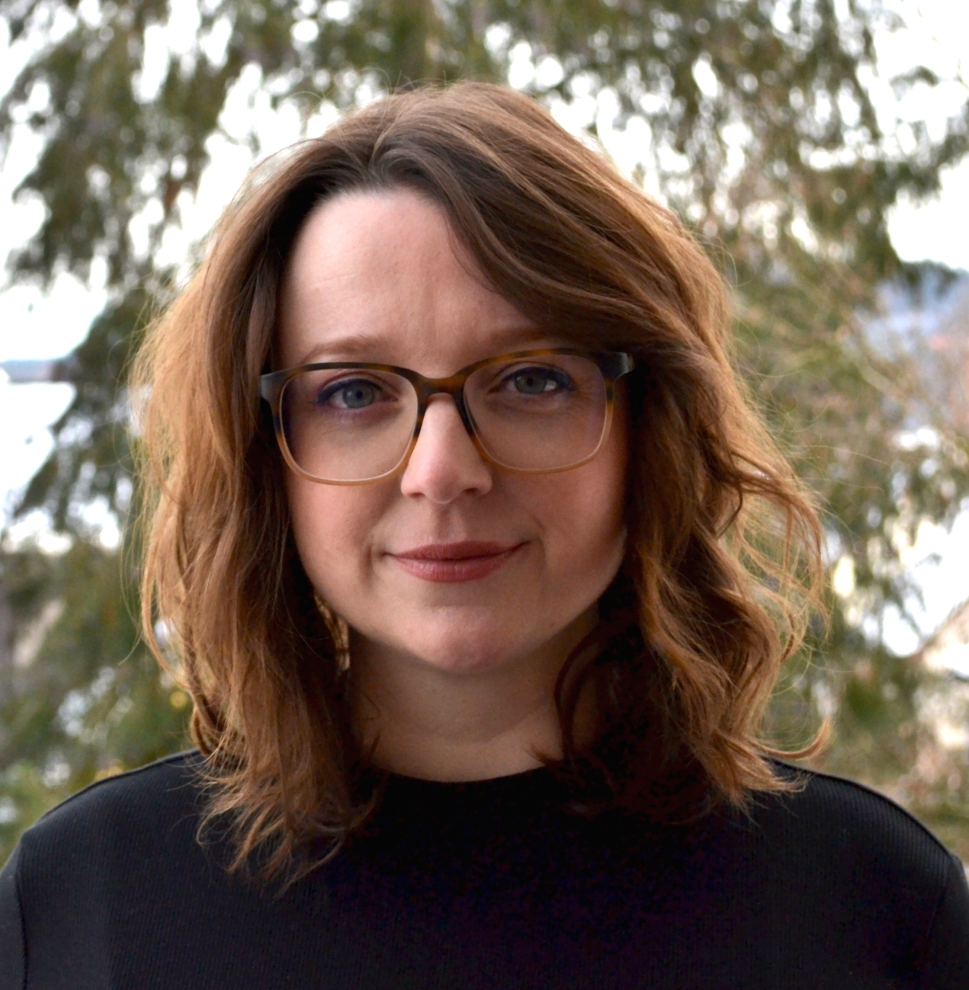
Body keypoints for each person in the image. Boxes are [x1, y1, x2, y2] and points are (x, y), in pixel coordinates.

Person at [1, 82, 966, 990]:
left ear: (648, 428)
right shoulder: (85, 908)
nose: (441, 470)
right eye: (352, 392)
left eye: (531, 379)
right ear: (265, 460)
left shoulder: (867, 910)